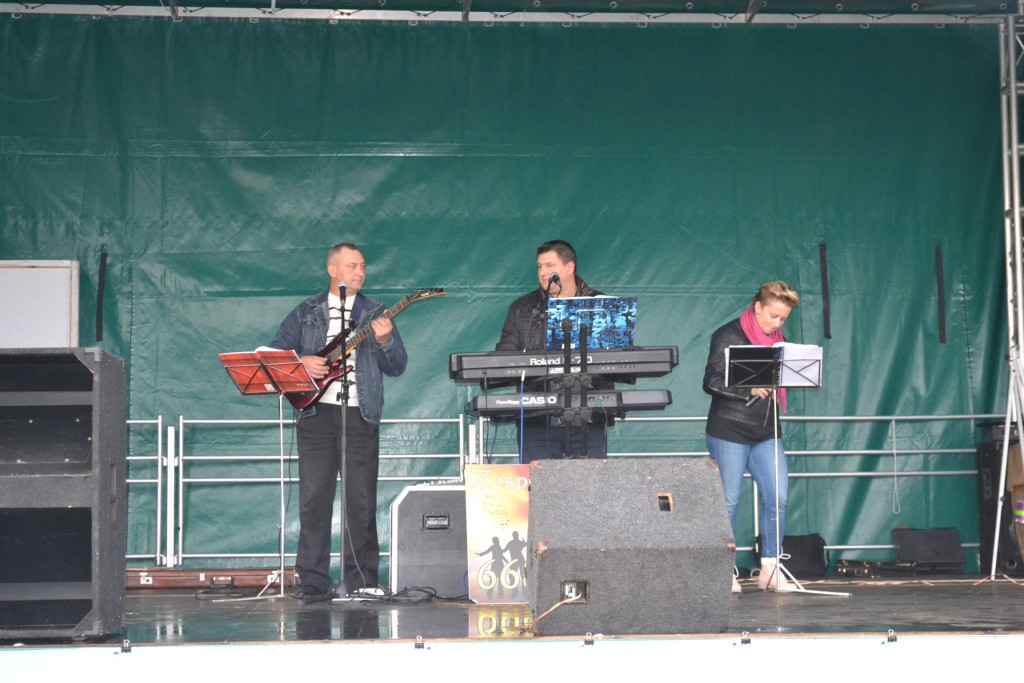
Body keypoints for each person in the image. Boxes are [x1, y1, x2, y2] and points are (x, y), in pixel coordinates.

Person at [268, 242, 408, 603]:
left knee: (360, 499)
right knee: (313, 499)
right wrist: (302, 362)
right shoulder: (306, 311)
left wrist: (385, 340)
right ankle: (312, 581)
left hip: (359, 414)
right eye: (351, 266)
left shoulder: (375, 312)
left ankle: (360, 580)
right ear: (332, 270)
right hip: (315, 414)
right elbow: (275, 356)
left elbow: (397, 366)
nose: (359, 272)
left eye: (362, 266)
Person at [702, 281, 800, 593]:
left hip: (766, 429)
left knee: (778, 497)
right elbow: (711, 381)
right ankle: (721, 570)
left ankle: (770, 566)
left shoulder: (780, 342)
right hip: (729, 428)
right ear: (757, 306)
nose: (777, 323)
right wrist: (749, 388)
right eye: (773, 316)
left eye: (783, 318)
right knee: (729, 499)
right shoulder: (728, 335)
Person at [495, 239, 608, 459]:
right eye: (540, 267)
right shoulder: (523, 308)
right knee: (539, 481)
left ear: (569, 267)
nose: (543, 272)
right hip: (537, 419)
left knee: (591, 481)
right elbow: (504, 358)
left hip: (589, 416)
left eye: (549, 265)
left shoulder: (600, 306)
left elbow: (617, 356)